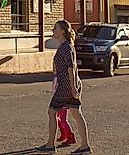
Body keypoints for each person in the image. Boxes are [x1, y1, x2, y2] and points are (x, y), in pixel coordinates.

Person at [36, 20, 91, 154]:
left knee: (52, 111)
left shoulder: (66, 47)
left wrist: (72, 87)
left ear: (62, 31)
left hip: (66, 84)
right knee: (76, 113)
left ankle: (50, 145)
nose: (53, 30)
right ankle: (85, 146)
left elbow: (70, 67)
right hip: (68, 83)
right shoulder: (65, 46)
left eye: (55, 28)